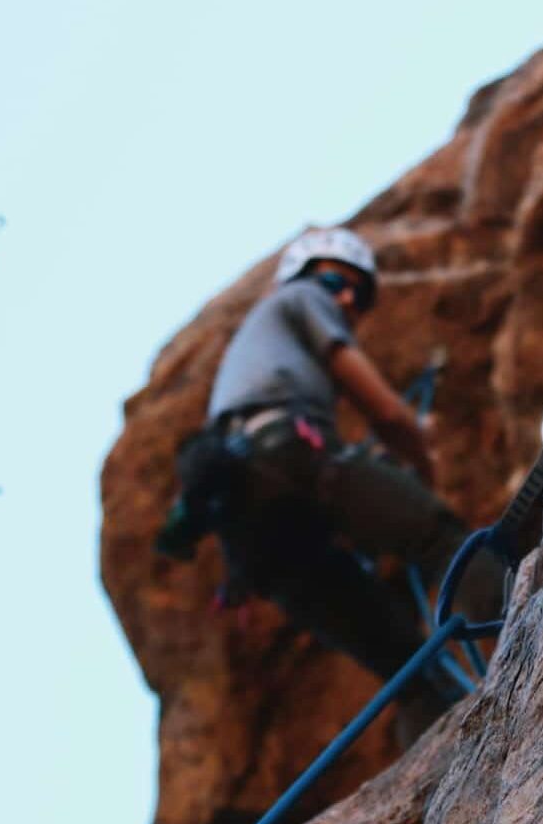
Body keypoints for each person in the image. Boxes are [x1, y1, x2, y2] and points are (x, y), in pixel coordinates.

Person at [159, 227, 504, 723]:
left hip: (249, 534)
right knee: (441, 540)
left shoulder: (251, 358)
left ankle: (445, 778)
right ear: (301, 279)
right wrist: (421, 457)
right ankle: (534, 628)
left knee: (409, 670)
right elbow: (384, 412)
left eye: (359, 293)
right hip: (289, 454)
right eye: (333, 281)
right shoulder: (299, 298)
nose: (345, 297)